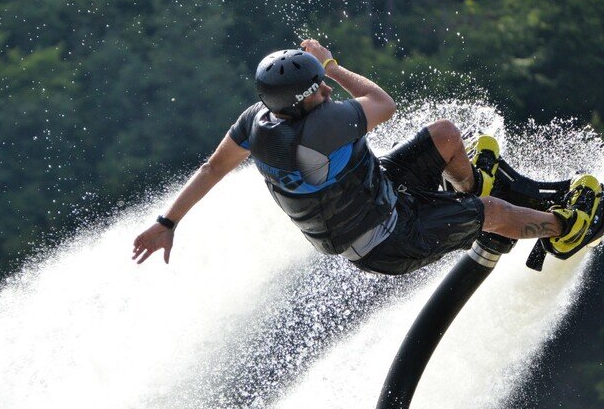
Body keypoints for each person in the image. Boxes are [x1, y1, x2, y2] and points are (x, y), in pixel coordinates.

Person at [132, 39, 600, 275]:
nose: (324, 90)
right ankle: (565, 231)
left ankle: (470, 187)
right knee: (494, 214)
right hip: (386, 239)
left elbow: (213, 167)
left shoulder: (257, 121)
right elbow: (383, 103)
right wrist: (333, 66)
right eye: (317, 87)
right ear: (301, 100)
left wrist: (167, 222)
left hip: (372, 191)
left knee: (444, 134)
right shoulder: (321, 128)